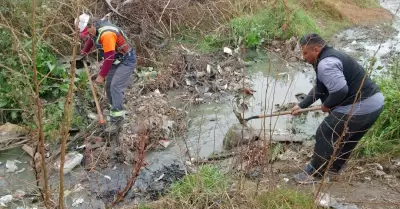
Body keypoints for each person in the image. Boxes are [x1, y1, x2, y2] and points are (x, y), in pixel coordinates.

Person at [291, 33, 384, 184]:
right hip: (376, 103)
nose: (304, 57)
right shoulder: (330, 56)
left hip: (361, 105)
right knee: (347, 138)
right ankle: (335, 168)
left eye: (305, 52)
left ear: (315, 49)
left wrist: (327, 105)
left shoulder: (325, 64)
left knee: (325, 132)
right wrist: (302, 105)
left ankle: (315, 174)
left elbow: (340, 90)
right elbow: (321, 88)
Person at [75, 13, 137, 133]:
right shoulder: (95, 28)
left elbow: (109, 57)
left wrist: (101, 76)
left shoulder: (107, 34)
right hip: (116, 60)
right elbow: (91, 40)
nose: (87, 35)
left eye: (86, 32)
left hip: (126, 60)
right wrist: (84, 52)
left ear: (90, 25)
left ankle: (117, 121)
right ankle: (114, 110)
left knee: (115, 86)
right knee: (109, 86)